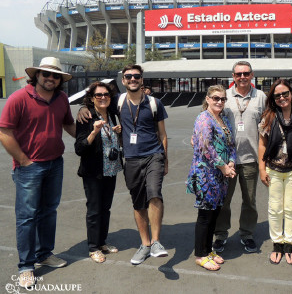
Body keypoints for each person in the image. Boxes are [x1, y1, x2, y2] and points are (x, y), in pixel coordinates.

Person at [77, 64, 169, 265]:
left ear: (142, 78)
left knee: (154, 193)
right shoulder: (117, 101)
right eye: (129, 76)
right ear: (124, 80)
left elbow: (162, 134)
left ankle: (156, 242)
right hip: (130, 159)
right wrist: (83, 107)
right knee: (137, 202)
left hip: (153, 155)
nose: (133, 79)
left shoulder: (154, 103)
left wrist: (165, 160)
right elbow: (97, 103)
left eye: (137, 76)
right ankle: (144, 244)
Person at [0, 57, 76, 289]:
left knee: (49, 212)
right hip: (29, 168)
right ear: (36, 76)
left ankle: (44, 253)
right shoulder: (18, 98)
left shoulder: (62, 98)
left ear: (60, 80)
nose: (51, 78)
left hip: (55, 164)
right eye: (46, 74)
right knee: (27, 217)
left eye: (55, 76)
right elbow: (4, 132)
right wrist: (24, 161)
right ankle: (26, 266)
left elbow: (68, 125)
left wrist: (90, 139)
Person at [213, 61, 267, 253]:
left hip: (251, 159)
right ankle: (220, 234)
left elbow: (268, 126)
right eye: (238, 74)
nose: (242, 77)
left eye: (246, 73)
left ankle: (247, 234)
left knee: (249, 201)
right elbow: (210, 119)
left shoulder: (261, 97)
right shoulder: (224, 96)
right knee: (223, 201)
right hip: (226, 162)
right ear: (233, 76)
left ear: (252, 75)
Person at [187, 85, 236, 271]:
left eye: (222, 99)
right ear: (207, 99)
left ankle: (208, 251)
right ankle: (200, 254)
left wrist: (231, 162)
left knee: (215, 213)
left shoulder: (222, 118)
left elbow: (231, 144)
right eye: (215, 98)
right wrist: (223, 166)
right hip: (206, 175)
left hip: (222, 175)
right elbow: (205, 148)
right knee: (205, 215)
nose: (219, 102)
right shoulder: (203, 119)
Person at [258, 79, 292, 265]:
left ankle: (289, 245)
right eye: (277, 95)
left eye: (285, 93)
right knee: (275, 208)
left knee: (291, 208)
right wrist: (262, 168)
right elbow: (262, 144)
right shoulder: (268, 116)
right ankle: (277, 244)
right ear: (273, 98)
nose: (282, 97)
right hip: (274, 169)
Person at [74, 82, 122, 263]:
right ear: (92, 98)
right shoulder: (86, 116)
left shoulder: (111, 114)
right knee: (94, 209)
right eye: (98, 95)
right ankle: (93, 247)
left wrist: (117, 133)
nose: (103, 97)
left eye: (106, 94)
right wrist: (94, 132)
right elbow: (79, 148)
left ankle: (102, 242)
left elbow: (111, 140)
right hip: (93, 170)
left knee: (105, 208)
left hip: (111, 169)